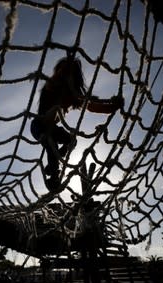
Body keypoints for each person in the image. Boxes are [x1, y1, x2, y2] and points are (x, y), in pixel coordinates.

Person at [30, 56, 123, 191]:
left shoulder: (72, 96)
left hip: (53, 128)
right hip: (39, 126)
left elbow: (92, 106)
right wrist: (64, 69)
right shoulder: (51, 86)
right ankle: (54, 177)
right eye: (64, 71)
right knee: (51, 144)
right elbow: (53, 81)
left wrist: (112, 106)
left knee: (71, 141)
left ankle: (53, 164)